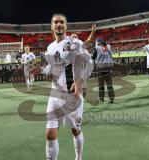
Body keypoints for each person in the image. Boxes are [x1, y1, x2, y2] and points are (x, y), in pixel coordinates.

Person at [42, 14, 93, 160]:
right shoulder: (50, 47)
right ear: (52, 26)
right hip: (55, 95)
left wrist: (79, 81)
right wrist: (41, 69)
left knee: (76, 131)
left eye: (61, 22)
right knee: (50, 133)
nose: (59, 24)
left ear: (66, 25)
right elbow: (54, 68)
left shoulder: (75, 43)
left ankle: (78, 158)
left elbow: (89, 63)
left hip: (73, 96)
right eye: (56, 22)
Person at [95, 38, 115, 103]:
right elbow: (110, 55)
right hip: (108, 66)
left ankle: (101, 98)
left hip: (100, 67)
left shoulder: (97, 48)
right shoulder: (108, 46)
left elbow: (93, 57)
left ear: (98, 42)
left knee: (101, 84)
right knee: (109, 83)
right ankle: (111, 98)